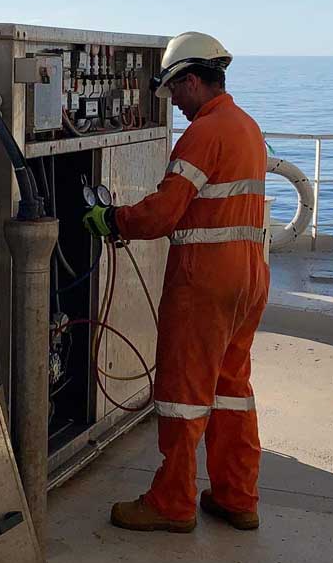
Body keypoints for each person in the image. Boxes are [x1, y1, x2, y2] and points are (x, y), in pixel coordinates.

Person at [84, 32, 269, 534]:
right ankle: (236, 497)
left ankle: (172, 503)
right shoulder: (246, 126)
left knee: (183, 392)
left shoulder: (204, 131)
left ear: (191, 79)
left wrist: (113, 220)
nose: (176, 106)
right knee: (232, 389)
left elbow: (165, 212)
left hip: (205, 277)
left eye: (175, 92)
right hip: (250, 274)